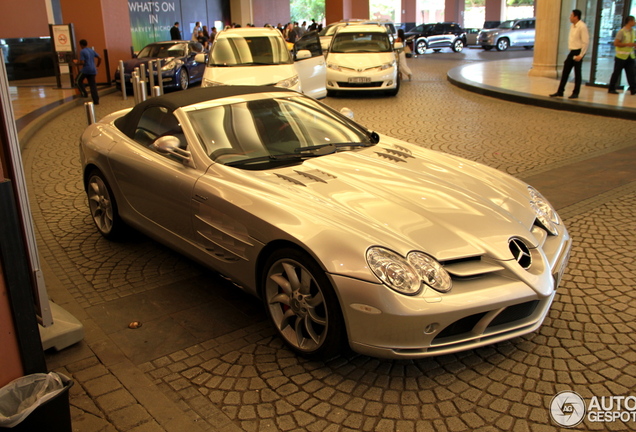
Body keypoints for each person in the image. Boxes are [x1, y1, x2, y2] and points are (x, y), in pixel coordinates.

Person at [550, 9, 589, 99]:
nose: (570, 17)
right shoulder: (572, 26)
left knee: (577, 73)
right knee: (565, 71)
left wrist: (581, 54)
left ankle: (575, 92)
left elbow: (585, 42)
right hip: (572, 51)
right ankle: (560, 91)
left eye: (571, 15)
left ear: (576, 17)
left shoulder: (582, 26)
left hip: (578, 51)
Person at [608, 15, 636, 95]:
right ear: (630, 21)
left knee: (631, 73)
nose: (634, 22)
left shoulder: (633, 31)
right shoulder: (622, 31)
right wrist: (628, 44)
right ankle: (611, 88)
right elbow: (616, 43)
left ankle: (633, 89)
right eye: (634, 21)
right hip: (621, 57)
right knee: (616, 73)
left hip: (630, 56)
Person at [73, 39, 101, 105]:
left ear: (81, 45)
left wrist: (77, 63)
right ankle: (96, 100)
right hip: (93, 70)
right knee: (93, 86)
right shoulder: (91, 50)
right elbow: (100, 58)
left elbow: (82, 62)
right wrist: (97, 66)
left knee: (77, 81)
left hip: (86, 69)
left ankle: (84, 93)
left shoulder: (82, 51)